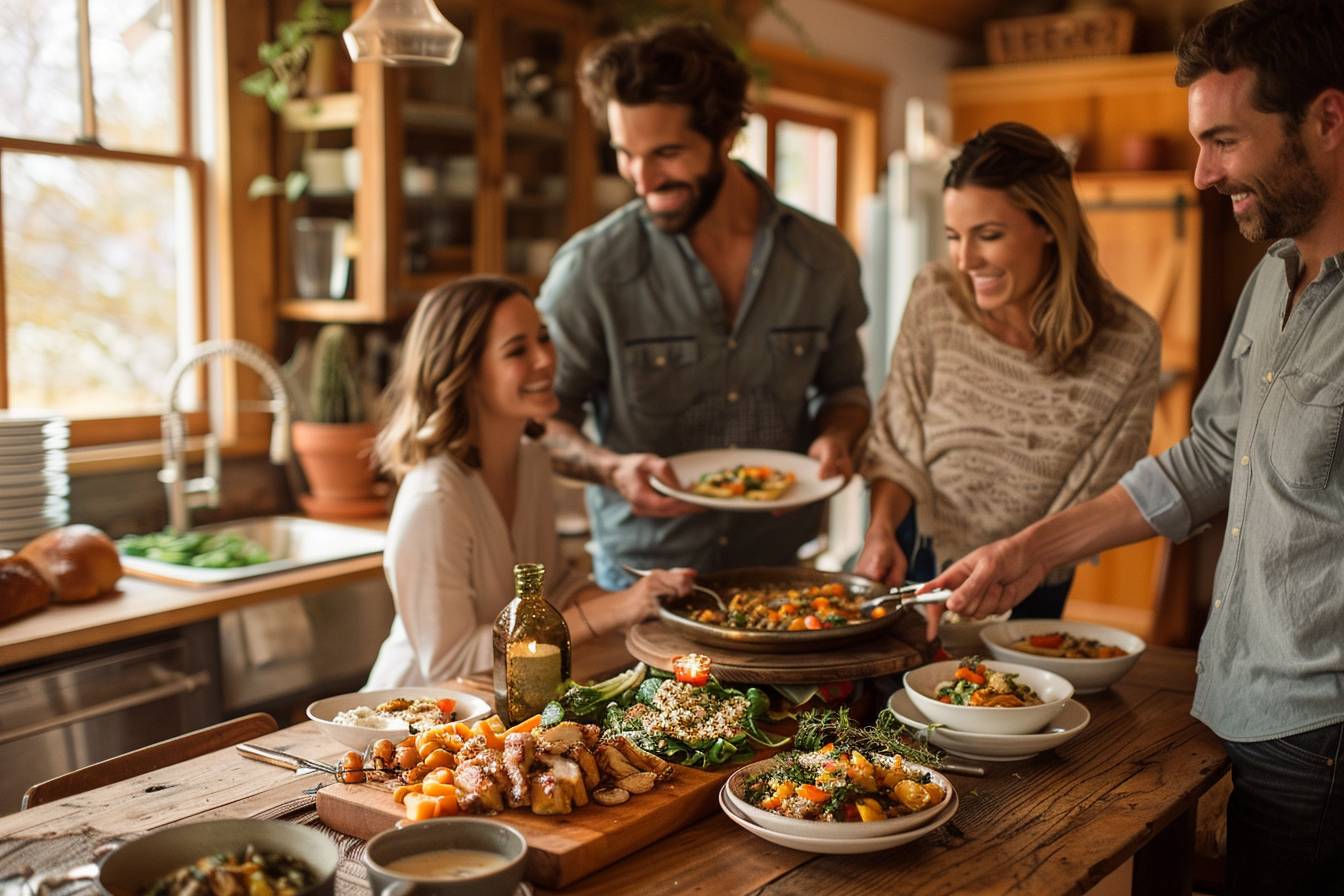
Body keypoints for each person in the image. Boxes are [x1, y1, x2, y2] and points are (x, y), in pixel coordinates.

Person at [922, 1, 1344, 889]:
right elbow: (1208, 459)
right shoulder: (1275, 279)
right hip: (1236, 702)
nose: (1201, 173)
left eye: (1225, 140)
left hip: (1324, 731)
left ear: (1328, 120)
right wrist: (1027, 550)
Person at [537, 21, 871, 590]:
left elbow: (843, 392)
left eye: (667, 153)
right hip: (642, 579)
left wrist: (836, 439)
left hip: (780, 570)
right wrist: (611, 469)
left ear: (724, 136)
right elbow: (540, 419)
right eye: (625, 153)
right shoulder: (592, 269)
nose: (642, 179)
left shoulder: (823, 257)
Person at [855, 123, 1161, 622]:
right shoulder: (936, 296)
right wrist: (879, 532)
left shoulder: (1128, 342)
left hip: (1031, 583)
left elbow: (1099, 496)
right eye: (954, 236)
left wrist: (1011, 565)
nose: (965, 259)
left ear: (1047, 224)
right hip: (912, 560)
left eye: (989, 236)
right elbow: (896, 444)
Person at [364, 276, 692, 687]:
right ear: (465, 373)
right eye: (517, 350)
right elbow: (451, 664)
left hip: (507, 707)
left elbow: (553, 586)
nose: (545, 359)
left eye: (544, 338)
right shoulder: (434, 498)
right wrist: (614, 610)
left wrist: (645, 601)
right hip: (411, 722)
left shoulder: (532, 459)